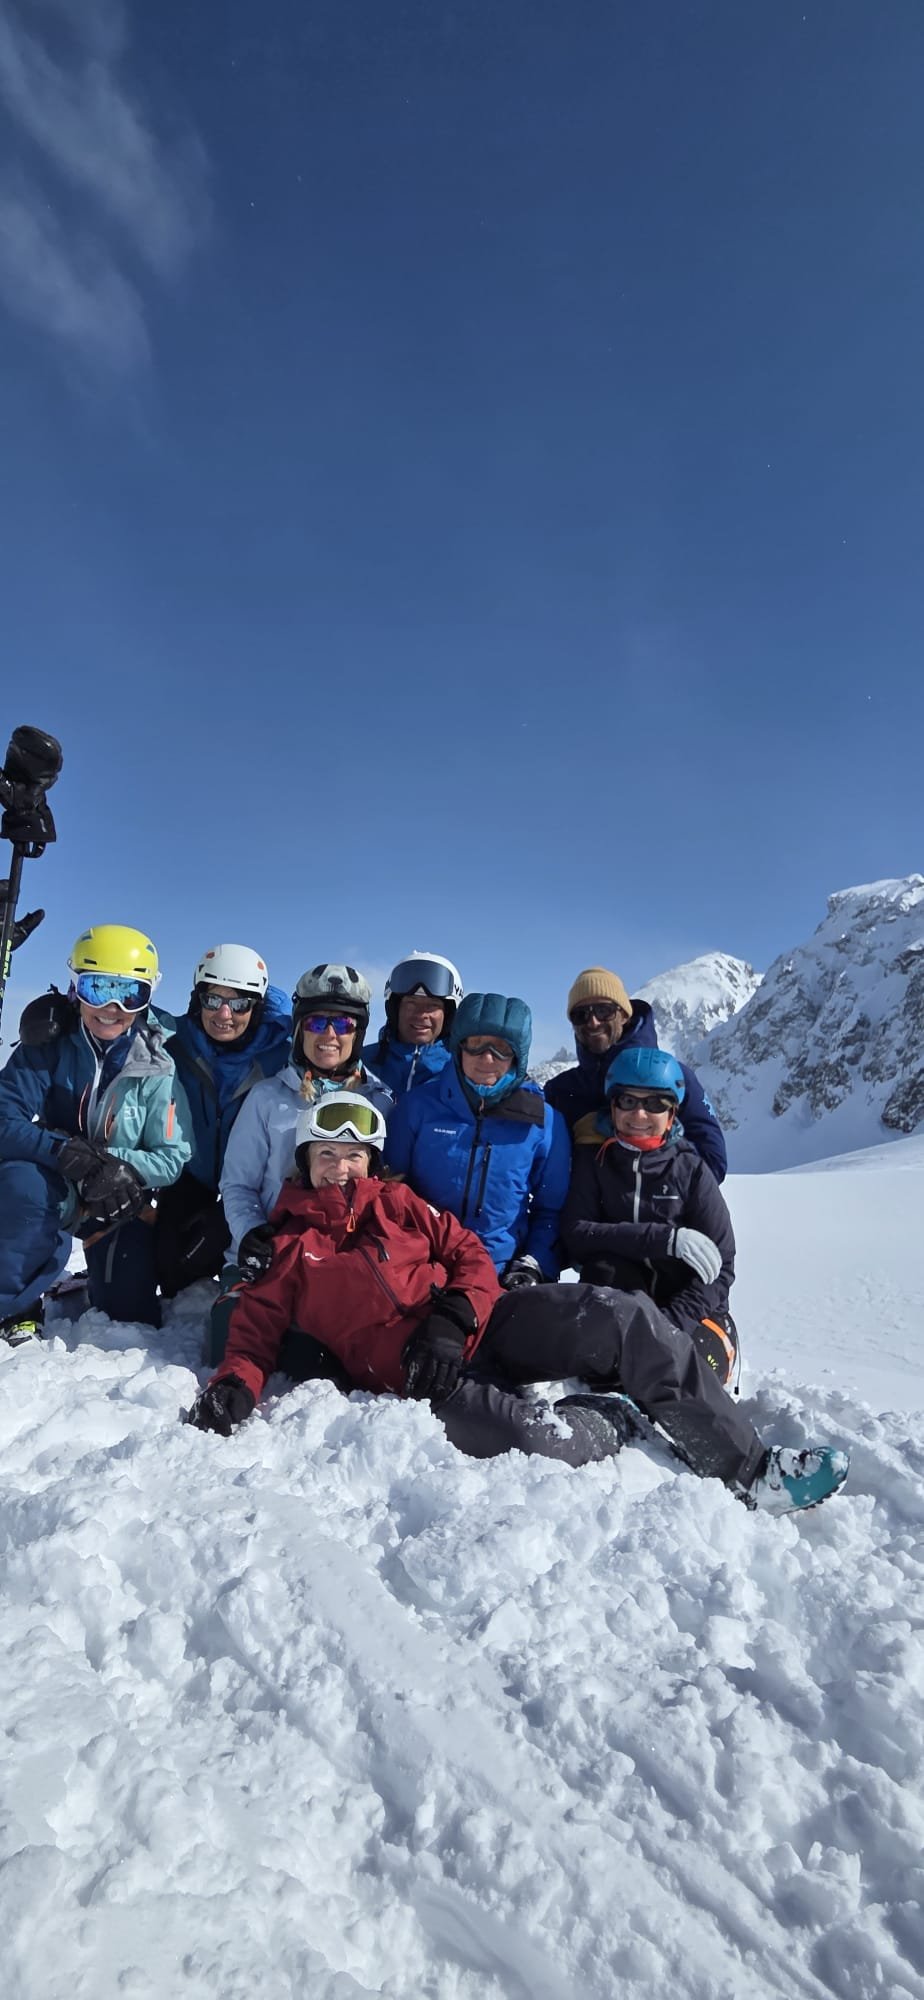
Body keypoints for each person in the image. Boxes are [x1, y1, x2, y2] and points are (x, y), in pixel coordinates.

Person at [188, 1093, 848, 1514]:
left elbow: (470, 1255)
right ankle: (612, 1414)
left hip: (488, 1321)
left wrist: (456, 1314)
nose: (340, 1169)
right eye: (326, 1156)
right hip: (426, 1378)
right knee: (536, 1441)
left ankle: (752, 1469)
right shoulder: (288, 1247)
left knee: (621, 1316)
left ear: (371, 1161)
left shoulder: (399, 1203)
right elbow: (254, 1334)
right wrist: (234, 1388)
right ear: (304, 1164)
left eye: (352, 1156)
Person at [0, 923, 190, 1341]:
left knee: (129, 1314)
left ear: (148, 997)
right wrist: (65, 1153)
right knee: (21, 1185)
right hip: (53, 1184)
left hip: (116, 1197)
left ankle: (101, 1269)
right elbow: (4, 1120)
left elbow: (172, 1156)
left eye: (130, 994)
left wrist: (110, 1167)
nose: (112, 1008)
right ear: (75, 988)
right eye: (98, 989)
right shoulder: (49, 1042)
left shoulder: (158, 1063)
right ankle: (15, 1307)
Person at [210, 967, 392, 1361]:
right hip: (268, 1254)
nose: (330, 1035)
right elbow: (238, 1183)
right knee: (233, 1341)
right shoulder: (266, 1098)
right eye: (317, 1022)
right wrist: (252, 1233)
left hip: (341, 1261)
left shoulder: (379, 1101)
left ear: (358, 1033)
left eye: (343, 1024)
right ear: (299, 1029)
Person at [561, 1046, 739, 1387]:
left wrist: (668, 1324)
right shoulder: (595, 1162)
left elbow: (722, 1266)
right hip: (623, 1304)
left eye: (655, 1103)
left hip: (692, 1313)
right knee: (603, 1273)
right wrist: (664, 1239)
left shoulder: (691, 1170)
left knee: (685, 1381)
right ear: (612, 1106)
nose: (639, 1114)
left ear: (672, 1113)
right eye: (628, 1101)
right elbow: (577, 1233)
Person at [384, 991, 571, 1285]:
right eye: (476, 1044)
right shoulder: (418, 1107)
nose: (487, 1057)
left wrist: (533, 1263)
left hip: (501, 1272)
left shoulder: (543, 1123)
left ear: (518, 1057)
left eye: (502, 1048)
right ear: (459, 1047)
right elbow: (390, 1185)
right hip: (423, 1262)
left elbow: (551, 1210)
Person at [154, 944, 292, 1298]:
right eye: (213, 1000)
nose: (225, 1014)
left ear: (256, 1007)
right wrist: (66, 1006)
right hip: (192, 1175)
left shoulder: (282, 1052)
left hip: (253, 1183)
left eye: (240, 1003)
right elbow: (122, 1013)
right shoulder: (176, 1041)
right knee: (173, 1273)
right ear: (197, 1000)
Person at [544, 967, 728, 1181]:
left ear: (623, 1014)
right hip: (583, 1203)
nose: (593, 1021)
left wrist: (652, 1145)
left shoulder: (674, 1078)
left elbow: (712, 1162)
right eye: (580, 1015)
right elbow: (541, 1167)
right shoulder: (560, 1090)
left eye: (604, 1010)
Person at [367, 951, 463, 1095]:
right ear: (395, 1009)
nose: (421, 1014)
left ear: (448, 1014)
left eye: (433, 1005)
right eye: (411, 1003)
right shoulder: (362, 1064)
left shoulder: (462, 1070)